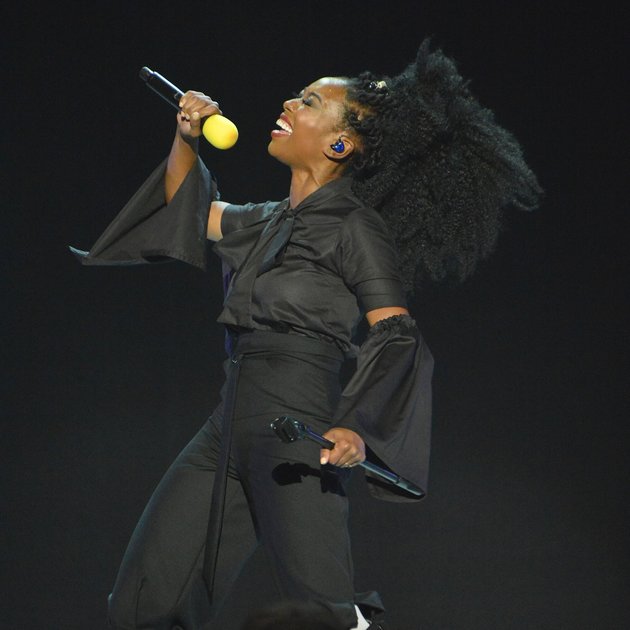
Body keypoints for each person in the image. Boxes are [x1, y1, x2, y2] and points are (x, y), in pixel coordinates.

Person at [72, 40, 541, 630]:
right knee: (147, 599)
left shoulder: (354, 228)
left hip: (297, 431)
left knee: (323, 611)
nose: (290, 103)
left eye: (310, 101)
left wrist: (356, 425)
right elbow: (189, 210)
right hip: (229, 422)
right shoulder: (268, 220)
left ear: (339, 144)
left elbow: (395, 333)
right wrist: (186, 138)